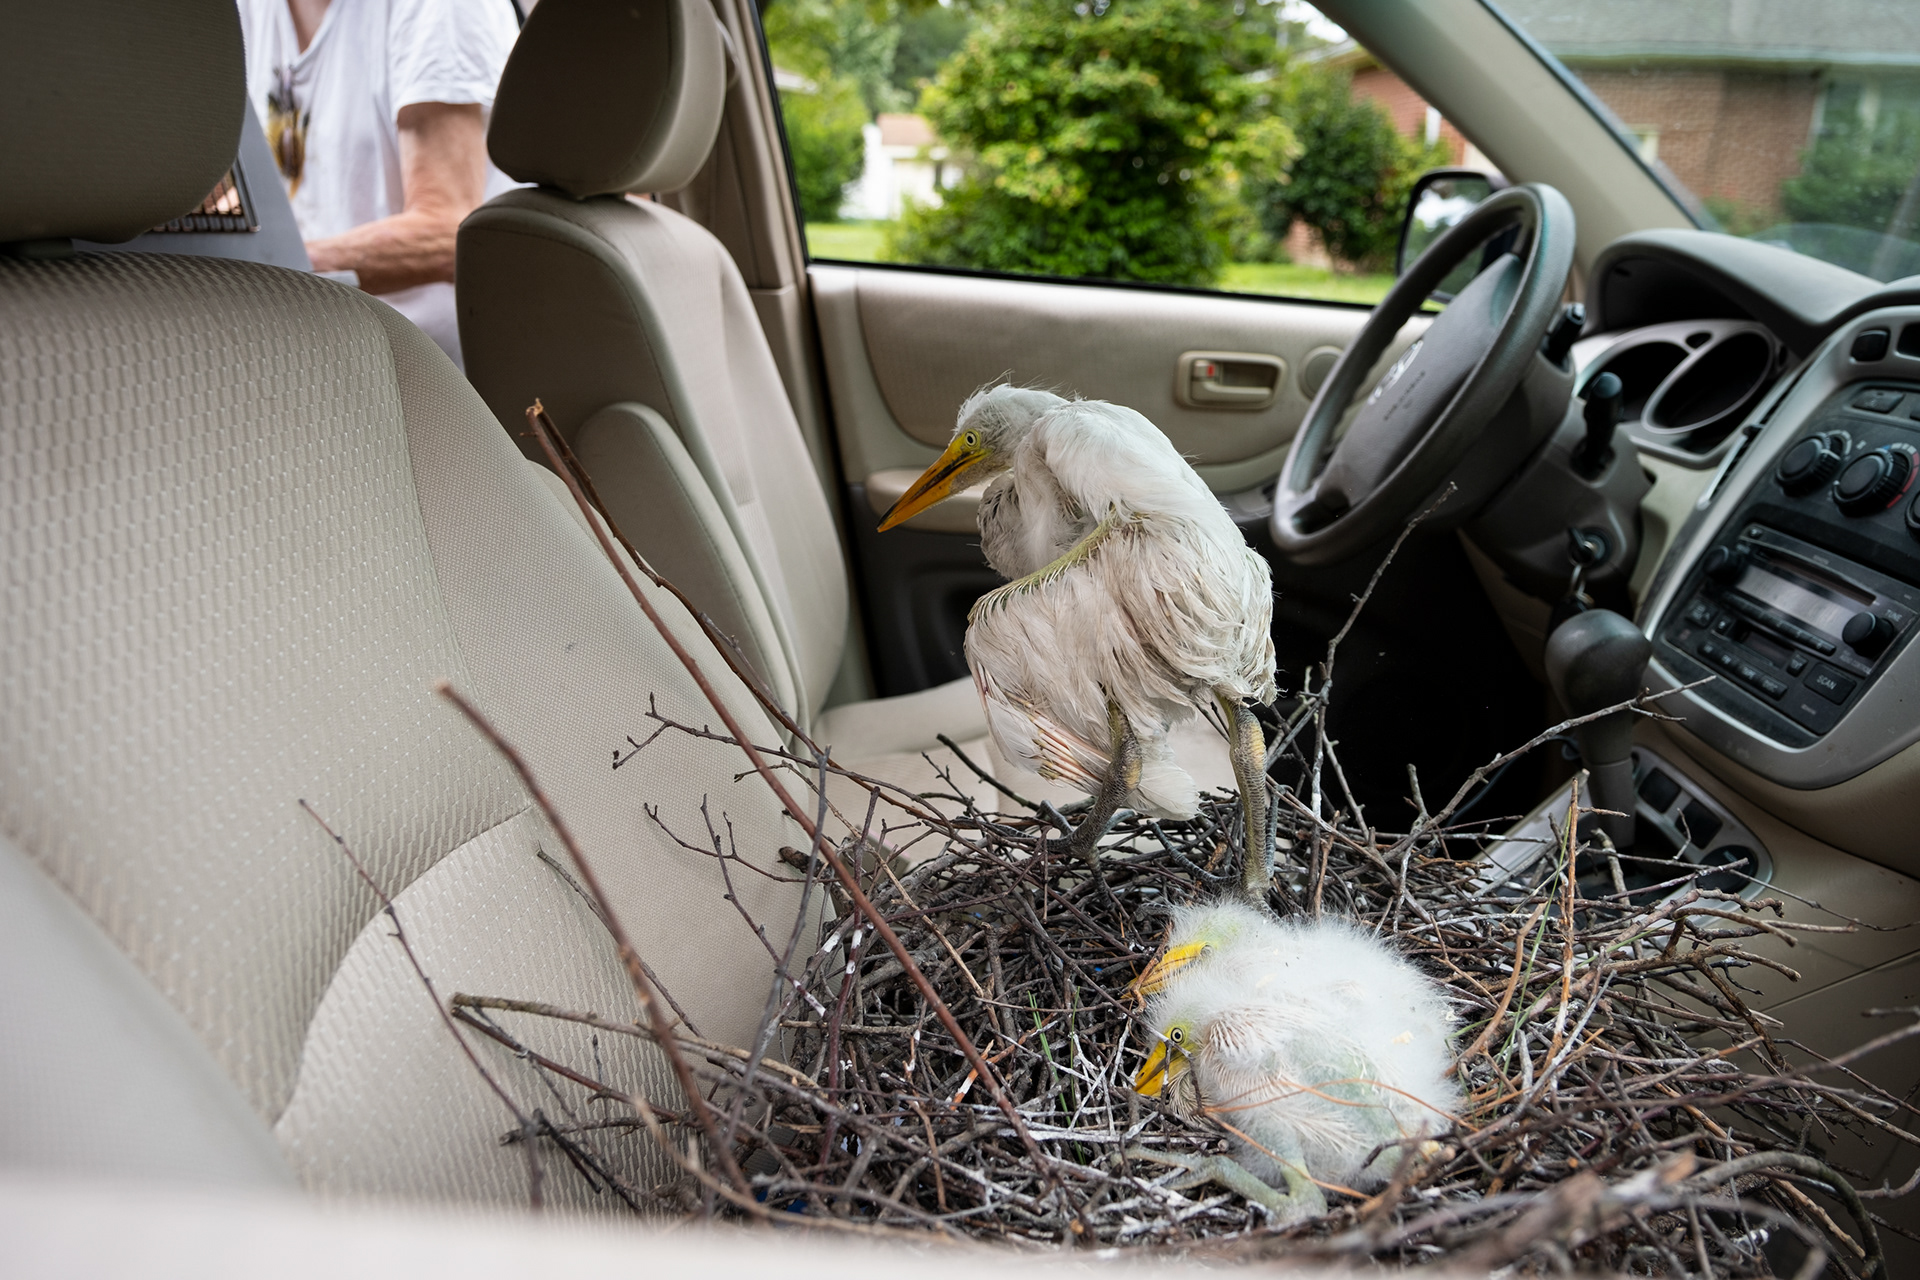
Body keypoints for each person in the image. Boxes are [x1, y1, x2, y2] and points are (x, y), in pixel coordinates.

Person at [238, 0, 521, 367]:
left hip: (426, 365)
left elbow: (450, 231)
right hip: (311, 333)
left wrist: (260, 271)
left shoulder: (439, 9)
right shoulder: (243, 12)